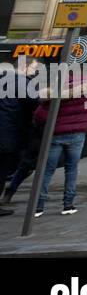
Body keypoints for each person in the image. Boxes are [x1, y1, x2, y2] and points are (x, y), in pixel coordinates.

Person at [32, 75, 87, 217]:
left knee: (47, 170)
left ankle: (38, 207)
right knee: (71, 169)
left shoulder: (54, 94)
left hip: (55, 135)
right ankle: (68, 205)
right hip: (77, 135)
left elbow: (39, 116)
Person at [0, 58, 43, 212]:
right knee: (3, 168)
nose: (34, 71)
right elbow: (35, 103)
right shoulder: (22, 82)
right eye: (33, 67)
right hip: (8, 130)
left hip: (7, 128)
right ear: (24, 67)